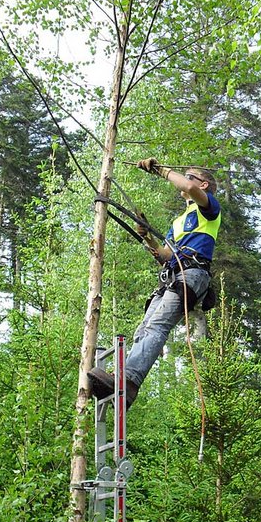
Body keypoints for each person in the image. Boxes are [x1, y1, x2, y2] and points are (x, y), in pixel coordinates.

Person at [88, 158, 221, 408]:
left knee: (157, 325)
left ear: (203, 184)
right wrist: (147, 236)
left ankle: (128, 381)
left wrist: (162, 170)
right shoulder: (179, 222)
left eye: (189, 175)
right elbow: (165, 256)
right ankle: (124, 384)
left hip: (192, 275)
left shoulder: (209, 208)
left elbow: (191, 189)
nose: (185, 180)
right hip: (173, 276)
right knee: (144, 329)